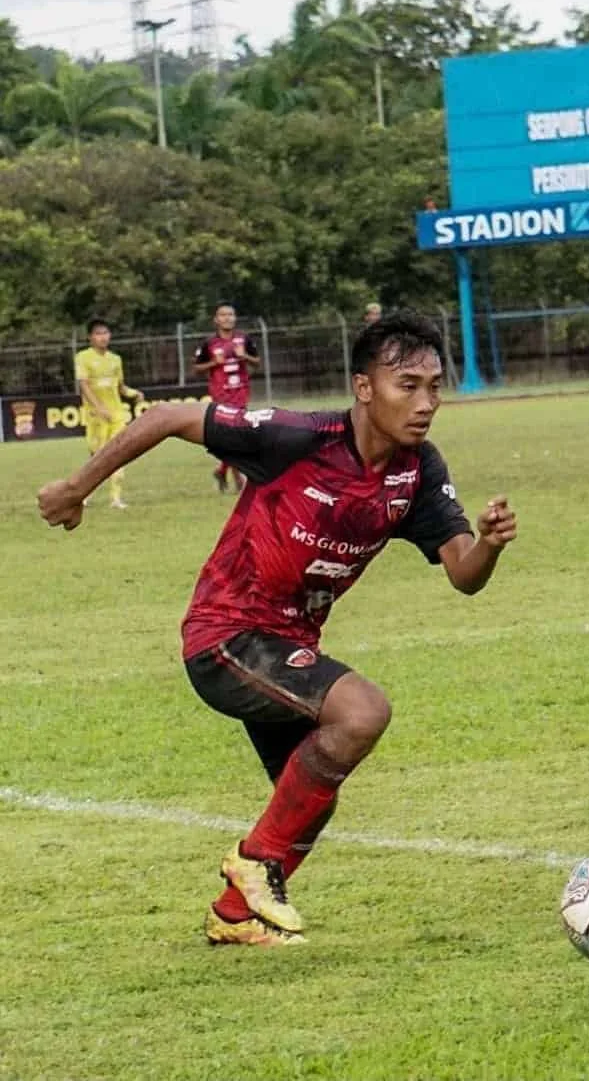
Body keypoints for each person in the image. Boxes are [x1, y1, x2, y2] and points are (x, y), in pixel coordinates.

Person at [39, 312, 518, 947]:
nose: (426, 402)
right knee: (362, 712)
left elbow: (463, 573)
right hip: (226, 637)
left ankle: (235, 915)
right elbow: (165, 418)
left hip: (286, 648)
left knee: (313, 796)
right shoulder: (298, 437)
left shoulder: (417, 470)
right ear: (364, 387)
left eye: (434, 386)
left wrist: (487, 544)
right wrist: (75, 489)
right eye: (408, 384)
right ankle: (255, 863)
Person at [74, 318, 144, 509]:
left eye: (105, 333)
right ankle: (83, 494)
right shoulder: (83, 357)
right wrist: (98, 407)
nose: (103, 337)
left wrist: (133, 393)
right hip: (95, 417)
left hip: (116, 415)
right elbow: (84, 386)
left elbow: (120, 387)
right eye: (98, 333)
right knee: (97, 456)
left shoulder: (115, 359)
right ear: (90, 337)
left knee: (119, 453)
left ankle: (116, 498)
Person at [193, 302, 261, 493]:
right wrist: (214, 363)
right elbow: (197, 368)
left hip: (241, 394)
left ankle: (223, 471)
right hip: (221, 395)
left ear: (235, 318)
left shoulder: (244, 339)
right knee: (234, 436)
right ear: (216, 320)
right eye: (223, 315)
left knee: (236, 436)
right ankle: (237, 478)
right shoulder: (209, 344)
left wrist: (245, 356)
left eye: (230, 314)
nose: (227, 318)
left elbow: (257, 363)